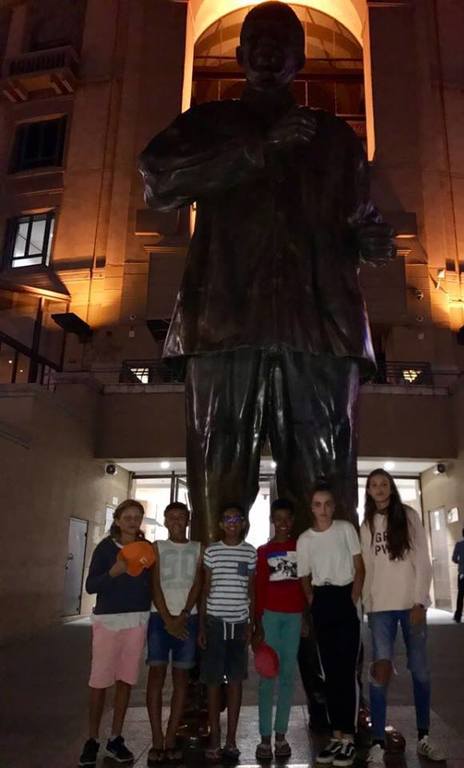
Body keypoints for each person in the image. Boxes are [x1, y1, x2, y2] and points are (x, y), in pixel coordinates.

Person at [139, 1, 395, 542]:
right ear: (239, 54)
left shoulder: (336, 139)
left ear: (301, 57)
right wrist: (257, 148)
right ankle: (219, 590)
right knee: (218, 476)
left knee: (326, 479)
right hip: (225, 323)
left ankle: (327, 591)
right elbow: (158, 181)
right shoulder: (210, 122)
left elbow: (359, 221)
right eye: (257, 39)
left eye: (282, 41)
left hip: (320, 330)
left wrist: (370, 241)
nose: (268, 49)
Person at [360, 469, 445, 764]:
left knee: (420, 670)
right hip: (380, 608)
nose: (379, 488)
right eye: (374, 485)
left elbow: (422, 559)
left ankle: (424, 736)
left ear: (391, 487)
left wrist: (420, 601)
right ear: (369, 491)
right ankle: (378, 742)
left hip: (411, 606)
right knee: (379, 673)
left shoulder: (408, 516)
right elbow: (368, 566)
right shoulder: (367, 523)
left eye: (384, 484)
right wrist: (367, 604)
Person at [78, 500, 152, 767]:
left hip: (137, 621)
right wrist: (113, 573)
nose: (133, 521)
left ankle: (115, 738)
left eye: (137, 517)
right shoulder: (105, 548)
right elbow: (90, 586)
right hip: (108, 622)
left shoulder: (147, 548)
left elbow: (152, 584)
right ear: (118, 520)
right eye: (127, 517)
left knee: (125, 681)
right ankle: (92, 739)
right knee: (99, 682)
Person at [297, 482, 364, 768]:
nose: (323, 509)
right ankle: (336, 735)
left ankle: (348, 736)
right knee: (330, 672)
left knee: (346, 671)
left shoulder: (345, 529)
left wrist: (352, 598)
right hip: (322, 600)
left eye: (327, 504)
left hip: (345, 598)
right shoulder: (305, 539)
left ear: (334, 507)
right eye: (317, 504)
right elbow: (303, 575)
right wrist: (313, 600)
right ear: (311, 508)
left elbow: (359, 567)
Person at [146, 502, 203, 765]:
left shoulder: (198, 548)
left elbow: (197, 584)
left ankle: (171, 736)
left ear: (188, 520)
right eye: (172, 517)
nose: (177, 522)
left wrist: (183, 616)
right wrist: (168, 619)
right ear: (166, 521)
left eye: (182, 517)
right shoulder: (157, 547)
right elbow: (154, 584)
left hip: (187, 619)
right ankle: (156, 738)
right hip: (160, 618)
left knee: (181, 679)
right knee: (156, 676)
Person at [198, 505, 257, 762]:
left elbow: (251, 590)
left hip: (239, 624)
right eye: (227, 518)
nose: (232, 522)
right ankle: (215, 737)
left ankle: (231, 739)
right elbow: (205, 588)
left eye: (237, 518)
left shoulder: (250, 552)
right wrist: (202, 625)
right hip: (215, 622)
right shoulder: (212, 551)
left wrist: (251, 623)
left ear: (243, 523)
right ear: (221, 524)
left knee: (235, 681)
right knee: (213, 682)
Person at [253, 498, 306, 760]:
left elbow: (306, 582)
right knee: (267, 677)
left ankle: (281, 735)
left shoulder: (301, 547)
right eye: (278, 518)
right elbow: (258, 587)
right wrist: (256, 623)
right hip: (270, 617)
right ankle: (264, 737)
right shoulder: (263, 551)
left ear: (292, 521)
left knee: (287, 676)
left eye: (287, 519)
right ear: (272, 520)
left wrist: (306, 617)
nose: (283, 523)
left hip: (294, 617)